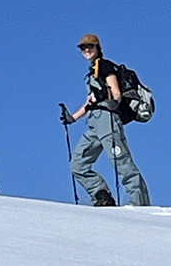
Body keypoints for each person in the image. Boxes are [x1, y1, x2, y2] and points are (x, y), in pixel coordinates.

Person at [60, 34, 149, 206]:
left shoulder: (105, 66)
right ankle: (102, 196)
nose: (86, 50)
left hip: (108, 120)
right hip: (94, 124)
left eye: (90, 46)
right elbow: (90, 101)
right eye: (83, 48)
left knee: (121, 163)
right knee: (77, 164)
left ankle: (140, 204)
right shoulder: (92, 72)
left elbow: (115, 93)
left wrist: (111, 102)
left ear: (97, 48)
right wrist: (72, 118)